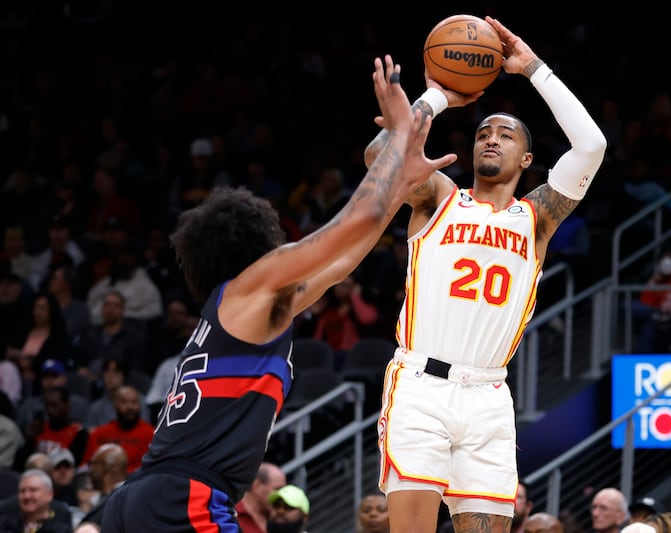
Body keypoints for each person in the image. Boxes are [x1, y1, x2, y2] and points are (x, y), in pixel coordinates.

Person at [99, 55, 456, 532]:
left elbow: (339, 264)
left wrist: (400, 189)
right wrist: (398, 133)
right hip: (183, 498)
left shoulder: (243, 310)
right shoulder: (255, 282)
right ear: (259, 241)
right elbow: (359, 218)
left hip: (143, 497)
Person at [364, 16, 606, 533]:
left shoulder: (536, 217)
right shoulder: (437, 197)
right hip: (421, 385)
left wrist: (533, 68)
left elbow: (591, 146)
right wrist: (433, 99)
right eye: (482, 132)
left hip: (490, 395)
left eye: (506, 133)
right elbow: (379, 162)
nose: (491, 139)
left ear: (528, 157)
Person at [82, 385, 155, 473]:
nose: (130, 407)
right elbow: (88, 466)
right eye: (124, 402)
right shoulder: (98, 434)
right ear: (115, 405)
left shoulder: (151, 434)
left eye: (134, 402)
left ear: (139, 405)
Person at [0, 468, 73, 533]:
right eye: (22, 491)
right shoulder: (5, 525)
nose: (27, 496)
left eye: (33, 490)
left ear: (49, 495)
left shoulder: (61, 530)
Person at [79, 442, 129, 528]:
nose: (89, 471)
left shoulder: (122, 501)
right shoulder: (106, 497)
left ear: (105, 469)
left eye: (92, 464)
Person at [235, 461, 287, 533]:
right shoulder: (229, 514)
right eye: (277, 489)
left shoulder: (280, 518)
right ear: (257, 486)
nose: (282, 495)